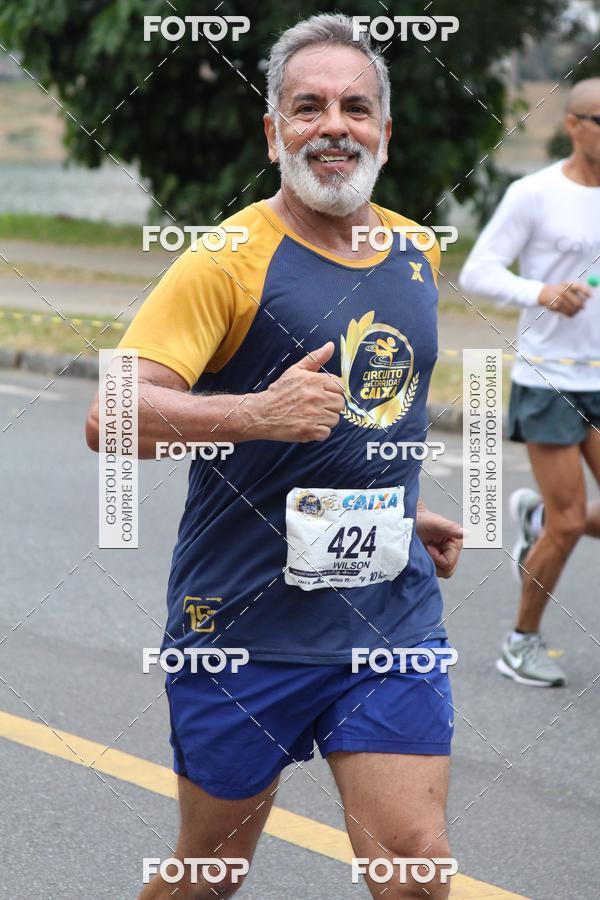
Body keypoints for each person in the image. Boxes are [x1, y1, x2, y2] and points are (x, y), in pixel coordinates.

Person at [86, 14, 463, 898]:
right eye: (308, 106)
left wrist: (398, 515)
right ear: (274, 131)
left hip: (387, 618)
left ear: (383, 130)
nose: (334, 125)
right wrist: (257, 412)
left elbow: (371, 419)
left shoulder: (417, 249)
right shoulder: (222, 261)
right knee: (209, 875)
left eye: (355, 107)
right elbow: (110, 416)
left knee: (414, 867)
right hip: (242, 626)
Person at [459, 77, 600, 688]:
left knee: (564, 518)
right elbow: (477, 270)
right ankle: (521, 642)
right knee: (571, 521)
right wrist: (540, 291)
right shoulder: (534, 194)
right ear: (574, 124)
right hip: (549, 378)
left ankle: (534, 523)